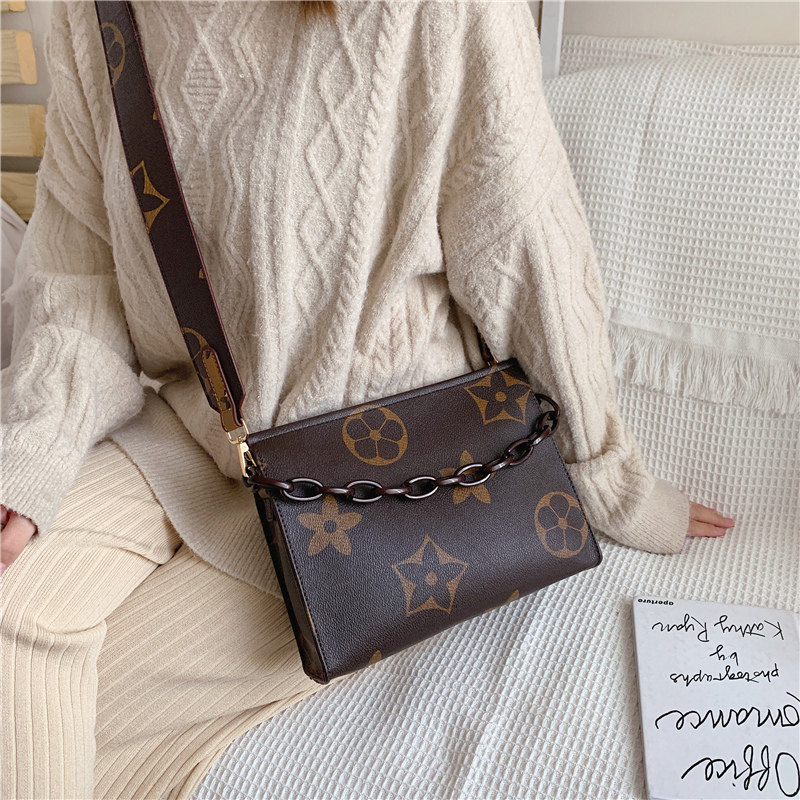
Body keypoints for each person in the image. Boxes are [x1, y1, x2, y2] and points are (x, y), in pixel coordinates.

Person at [0, 1, 735, 797]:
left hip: (374, 495)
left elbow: (527, 254)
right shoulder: (89, 11)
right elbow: (80, 273)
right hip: (187, 431)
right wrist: (32, 452)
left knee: (58, 717)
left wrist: (606, 476)